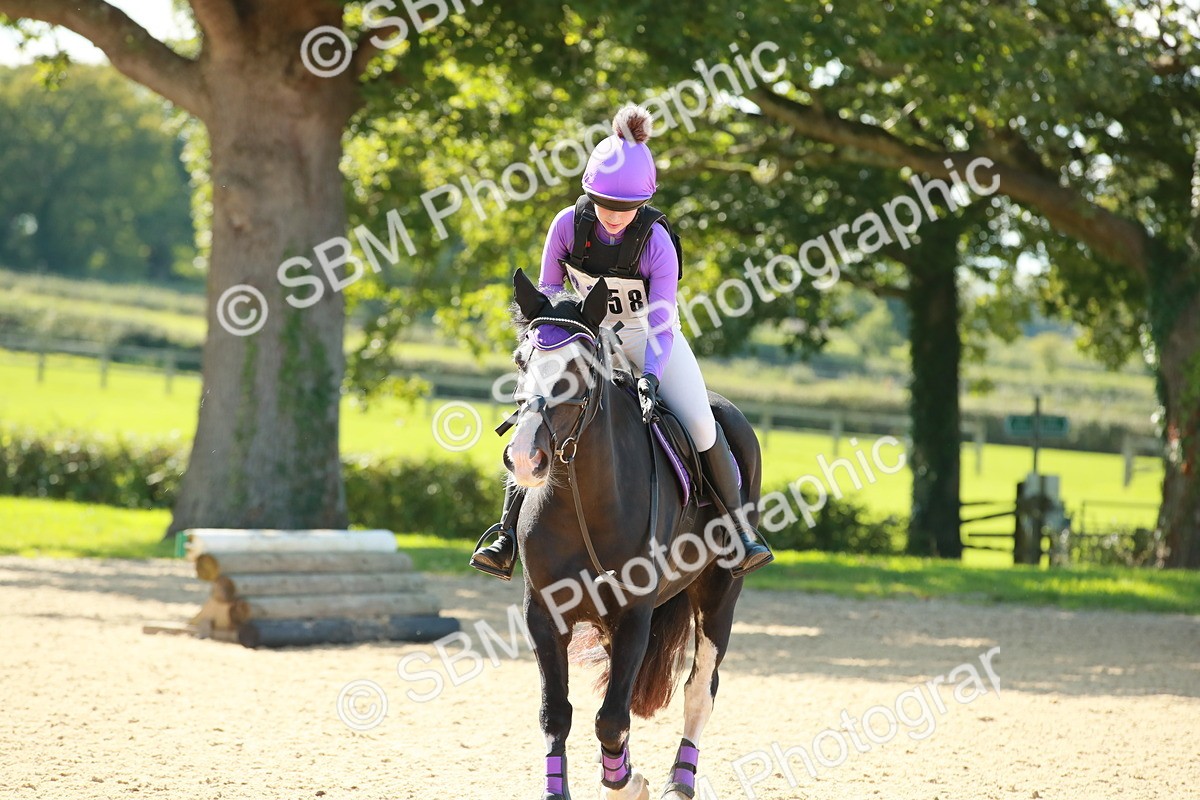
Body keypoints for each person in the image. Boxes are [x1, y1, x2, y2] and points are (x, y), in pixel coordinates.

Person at [470, 104, 773, 581]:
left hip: (648, 336)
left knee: (698, 419)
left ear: (644, 204)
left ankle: (738, 529)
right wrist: (547, 348)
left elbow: (662, 321)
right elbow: (549, 295)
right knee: (540, 414)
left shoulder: (656, 241)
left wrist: (650, 374)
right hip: (586, 337)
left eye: (626, 209)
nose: (614, 218)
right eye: (606, 205)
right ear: (588, 195)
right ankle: (507, 534)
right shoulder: (566, 226)